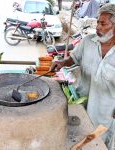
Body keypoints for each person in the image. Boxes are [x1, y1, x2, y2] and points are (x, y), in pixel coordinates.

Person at [51, 3, 115, 150]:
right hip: (84, 103)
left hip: (107, 111)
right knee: (81, 138)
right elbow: (74, 58)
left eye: (103, 23)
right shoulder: (88, 42)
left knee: (102, 143)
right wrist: (62, 62)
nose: (97, 27)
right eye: (97, 22)